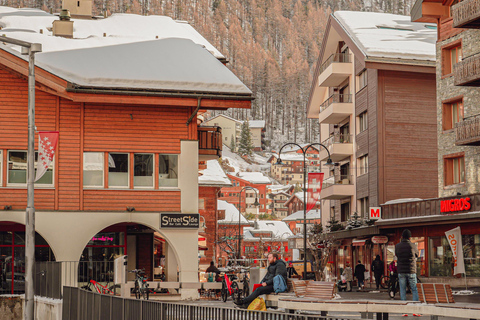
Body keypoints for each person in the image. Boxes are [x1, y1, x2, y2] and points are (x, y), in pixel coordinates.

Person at [395, 229, 419, 302]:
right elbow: (417, 254)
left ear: (402, 237)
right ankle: (415, 304)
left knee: (402, 289)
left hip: (401, 270)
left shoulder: (397, 246)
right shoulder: (413, 245)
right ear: (409, 237)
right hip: (411, 270)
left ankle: (403, 305)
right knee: (414, 289)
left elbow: (397, 255)